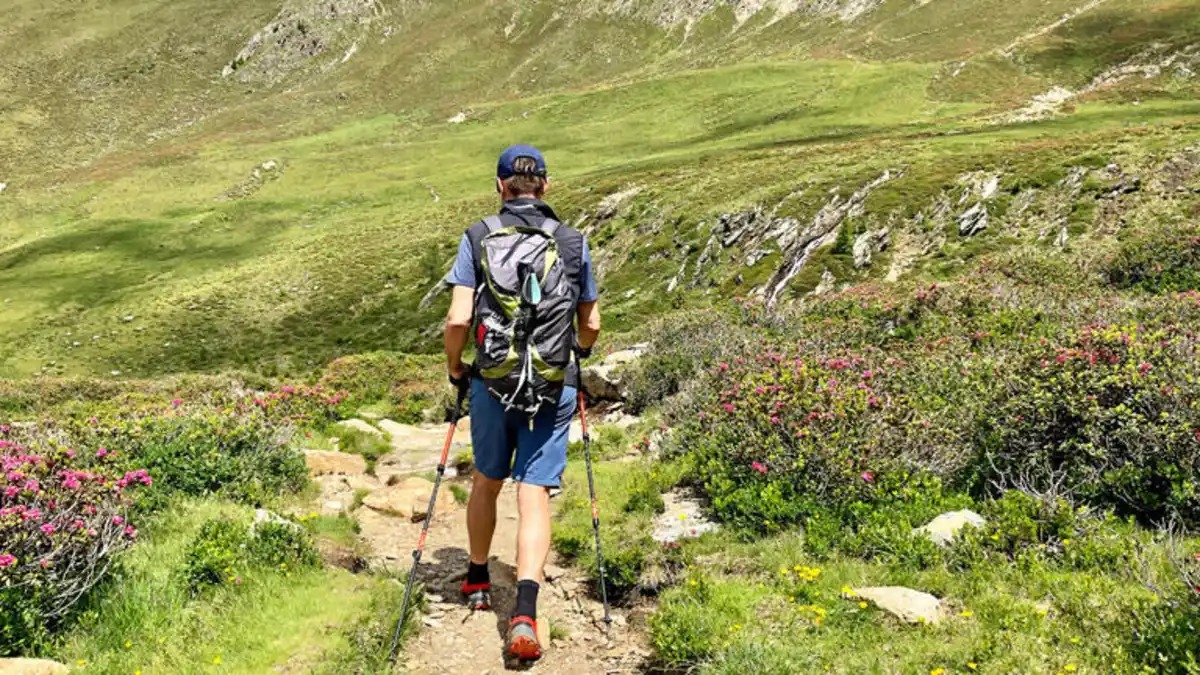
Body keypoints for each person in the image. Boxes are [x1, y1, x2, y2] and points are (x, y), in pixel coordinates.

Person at [443, 144, 601, 663]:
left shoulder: (479, 237)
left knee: (488, 480)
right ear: (546, 187)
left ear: (500, 186)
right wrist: (576, 354)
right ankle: (526, 611)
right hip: (554, 386)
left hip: (492, 383)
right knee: (533, 491)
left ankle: (477, 578)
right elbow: (591, 322)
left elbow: (458, 321)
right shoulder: (573, 243)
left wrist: (455, 369)